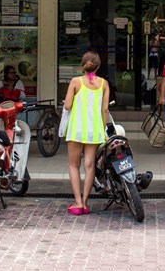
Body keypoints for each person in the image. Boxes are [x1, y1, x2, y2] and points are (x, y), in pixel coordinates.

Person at [63, 50, 109, 216]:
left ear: (83, 65)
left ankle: (78, 202)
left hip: (77, 129)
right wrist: (102, 129)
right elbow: (105, 109)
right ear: (97, 67)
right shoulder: (104, 84)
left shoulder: (76, 82)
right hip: (94, 130)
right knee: (89, 166)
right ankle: (86, 201)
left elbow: (67, 105)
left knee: (73, 165)